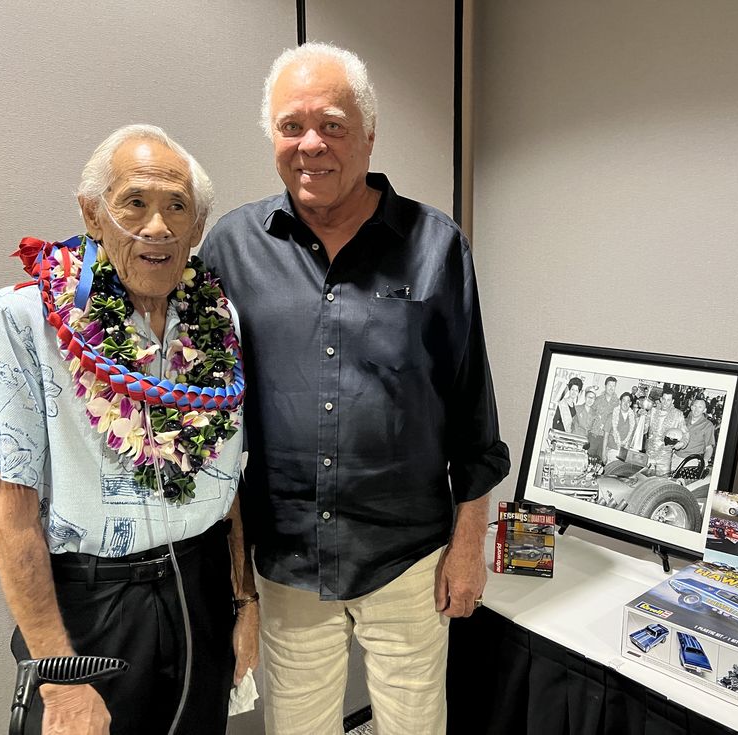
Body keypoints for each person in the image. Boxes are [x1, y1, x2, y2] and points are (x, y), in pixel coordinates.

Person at [198, 43, 510, 734]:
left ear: (368, 133)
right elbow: (202, 409)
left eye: (332, 124)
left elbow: (471, 412)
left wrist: (468, 544)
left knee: (414, 725)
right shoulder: (230, 248)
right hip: (287, 555)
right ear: (272, 138)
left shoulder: (436, 246)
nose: (311, 144)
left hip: (408, 554)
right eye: (291, 126)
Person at [0, 125, 258, 734]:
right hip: (92, 607)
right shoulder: (22, 320)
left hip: (202, 592)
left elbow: (229, 479)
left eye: (178, 208)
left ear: (197, 229)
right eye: (135, 203)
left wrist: (244, 600)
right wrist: (59, 675)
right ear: (93, 214)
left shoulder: (219, 321)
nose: (158, 227)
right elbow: (8, 514)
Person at [643, 389, 688, 474]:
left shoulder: (678, 414)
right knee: (645, 482)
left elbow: (685, 433)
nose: (665, 402)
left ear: (672, 401)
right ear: (660, 399)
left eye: (668, 400)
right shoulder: (653, 411)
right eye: (663, 399)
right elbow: (644, 429)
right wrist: (640, 417)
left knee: (661, 483)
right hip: (649, 454)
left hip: (665, 456)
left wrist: (682, 443)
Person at [672, 398, 716, 469]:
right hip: (675, 458)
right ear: (691, 407)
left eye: (700, 407)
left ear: (704, 410)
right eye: (695, 406)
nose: (696, 409)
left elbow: (709, 447)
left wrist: (705, 460)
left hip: (691, 461)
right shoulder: (683, 421)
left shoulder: (708, 425)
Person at [585, 376, 618, 461]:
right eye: (609, 385)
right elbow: (589, 414)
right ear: (605, 386)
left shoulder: (617, 403)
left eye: (613, 386)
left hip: (607, 440)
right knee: (588, 459)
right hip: (594, 436)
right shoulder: (598, 399)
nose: (611, 388)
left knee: (600, 463)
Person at [603, 392, 637, 465]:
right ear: (620, 401)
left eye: (628, 401)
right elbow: (606, 435)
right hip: (612, 450)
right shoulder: (612, 415)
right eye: (623, 400)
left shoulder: (633, 419)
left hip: (624, 453)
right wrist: (603, 454)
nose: (625, 403)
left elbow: (632, 437)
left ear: (630, 403)